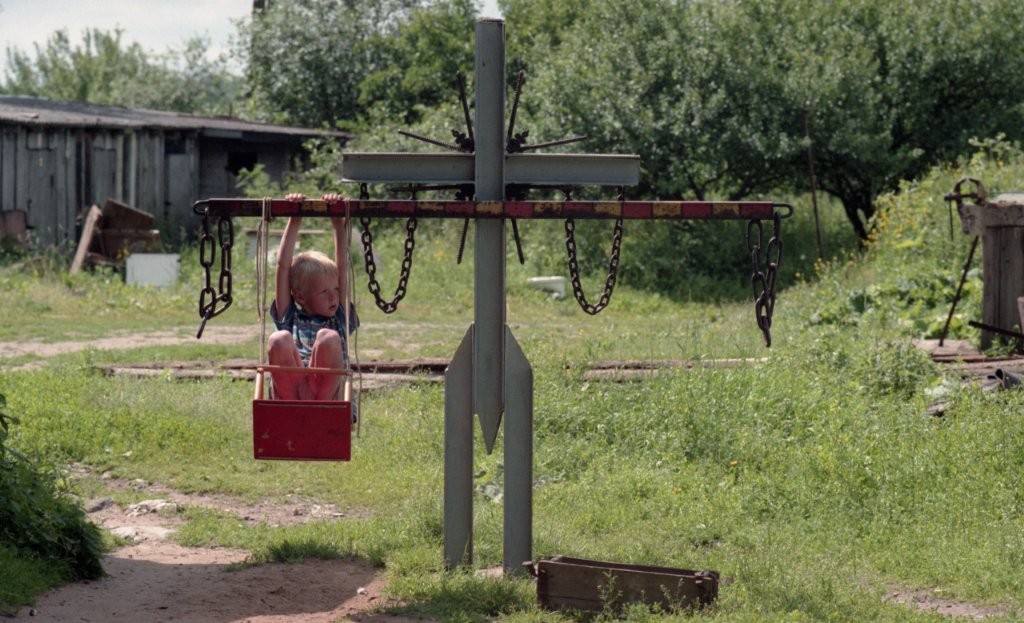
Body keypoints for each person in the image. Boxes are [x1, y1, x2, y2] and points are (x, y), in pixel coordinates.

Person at [267, 193, 357, 401]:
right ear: (300, 297)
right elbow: (282, 267)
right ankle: (296, 404)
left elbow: (343, 267)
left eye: (335, 289)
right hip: (292, 391)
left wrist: (338, 224)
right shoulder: (290, 319)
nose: (333, 297)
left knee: (328, 337)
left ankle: (321, 407)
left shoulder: (338, 318)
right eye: (324, 292)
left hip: (326, 392)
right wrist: (295, 219)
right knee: (279, 338)